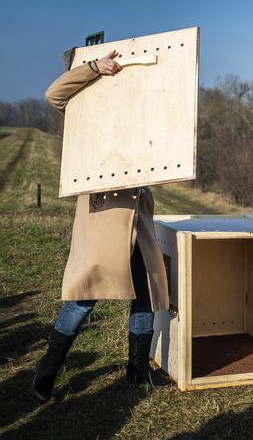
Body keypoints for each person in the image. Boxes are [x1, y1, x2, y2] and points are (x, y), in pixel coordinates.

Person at [33, 50, 171, 402]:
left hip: (138, 214)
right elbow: (54, 94)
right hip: (103, 213)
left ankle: (137, 371)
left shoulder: (142, 113)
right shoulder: (88, 105)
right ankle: (46, 373)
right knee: (83, 298)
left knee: (144, 294)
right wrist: (94, 68)